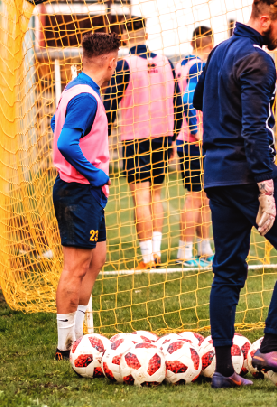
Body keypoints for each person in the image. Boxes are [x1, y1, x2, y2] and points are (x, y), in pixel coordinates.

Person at [194, 0, 277, 389]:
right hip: (248, 173)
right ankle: (270, 344)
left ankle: (224, 372)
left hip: (215, 174)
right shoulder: (259, 61)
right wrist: (266, 188)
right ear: (264, 19)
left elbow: (199, 100)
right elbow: (253, 130)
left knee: (227, 271)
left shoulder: (218, 52)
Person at [52, 32, 121, 359]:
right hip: (78, 190)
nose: (115, 68)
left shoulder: (76, 88)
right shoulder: (86, 97)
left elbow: (56, 122)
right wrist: (95, 173)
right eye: (116, 63)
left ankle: (79, 340)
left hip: (85, 192)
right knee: (76, 266)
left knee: (95, 260)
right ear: (111, 62)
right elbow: (66, 141)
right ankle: (64, 347)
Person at [103, 20, 183, 269]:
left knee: (139, 196)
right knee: (156, 194)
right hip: (163, 136)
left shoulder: (125, 64)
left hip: (135, 138)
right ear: (146, 34)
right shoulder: (166, 63)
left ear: (125, 37)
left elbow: (110, 104)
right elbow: (177, 103)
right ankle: (156, 252)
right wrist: (173, 136)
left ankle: (147, 257)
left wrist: (101, 133)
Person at [174, 26, 215, 268]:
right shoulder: (199, 65)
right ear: (210, 45)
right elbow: (188, 100)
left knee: (204, 197)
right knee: (195, 197)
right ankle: (185, 252)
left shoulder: (181, 65)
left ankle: (204, 249)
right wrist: (195, 130)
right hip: (193, 141)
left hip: (184, 139)